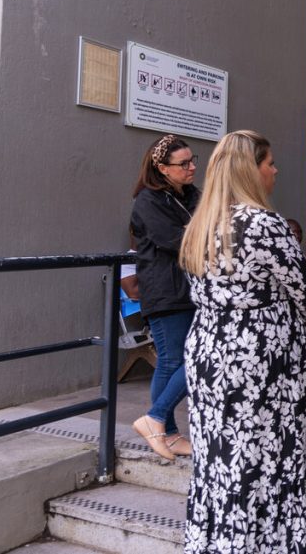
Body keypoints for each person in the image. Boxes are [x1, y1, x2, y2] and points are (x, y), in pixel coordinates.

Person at [180, 130, 306, 553]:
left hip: (210, 353)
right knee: (271, 459)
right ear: (251, 169)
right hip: (263, 363)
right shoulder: (265, 224)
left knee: (221, 459)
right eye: (270, 163)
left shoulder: (200, 224)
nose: (276, 171)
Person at [130, 134, 199, 460]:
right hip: (166, 293)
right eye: (183, 163)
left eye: (192, 160)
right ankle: (158, 421)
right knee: (184, 360)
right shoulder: (148, 201)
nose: (192, 167)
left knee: (177, 361)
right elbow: (175, 240)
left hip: (190, 289)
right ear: (161, 168)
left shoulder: (190, 195)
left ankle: (166, 432)